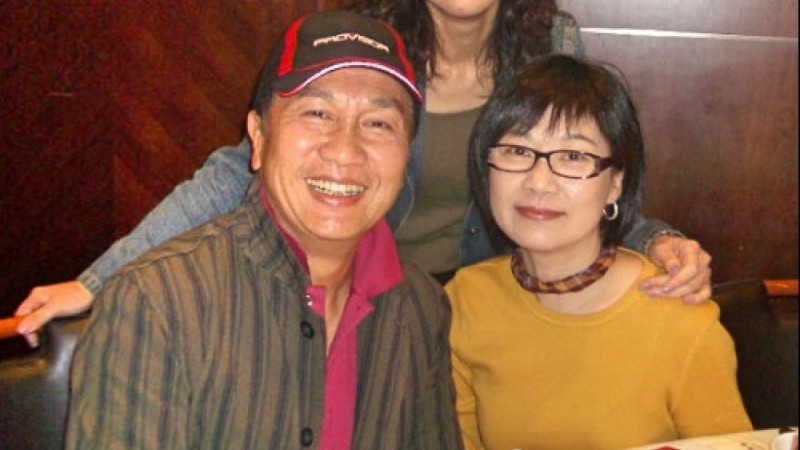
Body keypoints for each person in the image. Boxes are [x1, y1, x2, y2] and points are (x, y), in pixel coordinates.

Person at [15, 0, 712, 346]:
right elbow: (240, 170)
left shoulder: (552, 44)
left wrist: (655, 239)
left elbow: (578, 178)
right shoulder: (369, 41)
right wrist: (98, 279)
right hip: (363, 304)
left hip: (487, 310)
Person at [66, 11, 462, 449]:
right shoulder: (156, 303)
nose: (345, 150)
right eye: (317, 113)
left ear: (406, 156)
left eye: (378, 123)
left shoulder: (422, 308)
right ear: (257, 137)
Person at [445, 55, 751, 450]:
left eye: (573, 157)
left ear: (615, 184)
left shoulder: (680, 321)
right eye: (518, 151)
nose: (539, 182)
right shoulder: (467, 299)